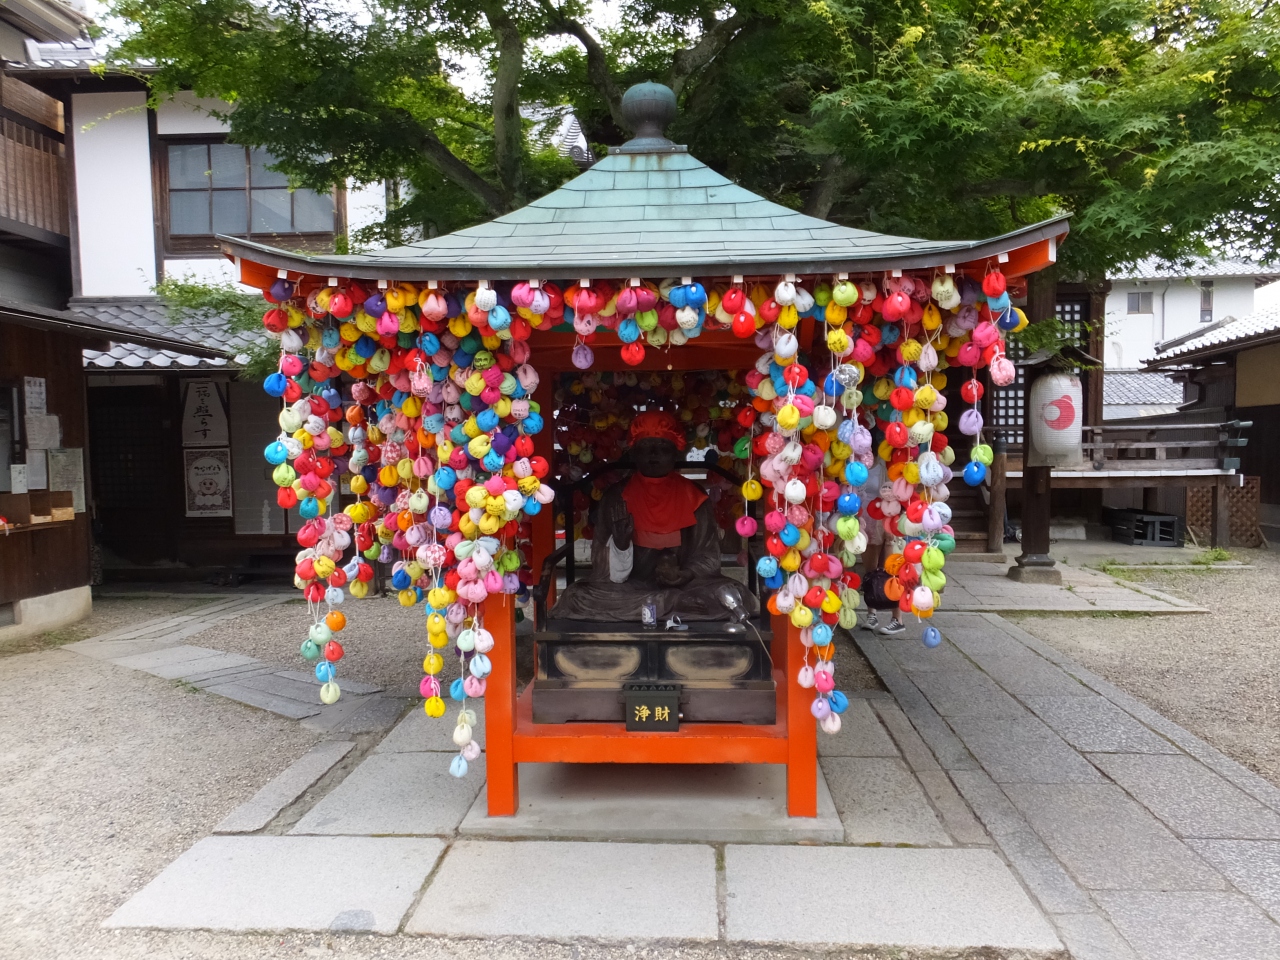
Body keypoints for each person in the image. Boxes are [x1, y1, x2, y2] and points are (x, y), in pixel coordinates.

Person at [551, 410, 757, 622]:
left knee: (737, 593)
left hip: (685, 586)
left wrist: (685, 574)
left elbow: (708, 556)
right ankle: (670, 603)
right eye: (646, 447)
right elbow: (601, 567)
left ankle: (664, 603)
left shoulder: (694, 496)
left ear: (675, 453)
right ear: (634, 454)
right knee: (575, 596)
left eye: (662, 448)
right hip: (630, 587)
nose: (653, 455)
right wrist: (620, 547)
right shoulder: (616, 497)